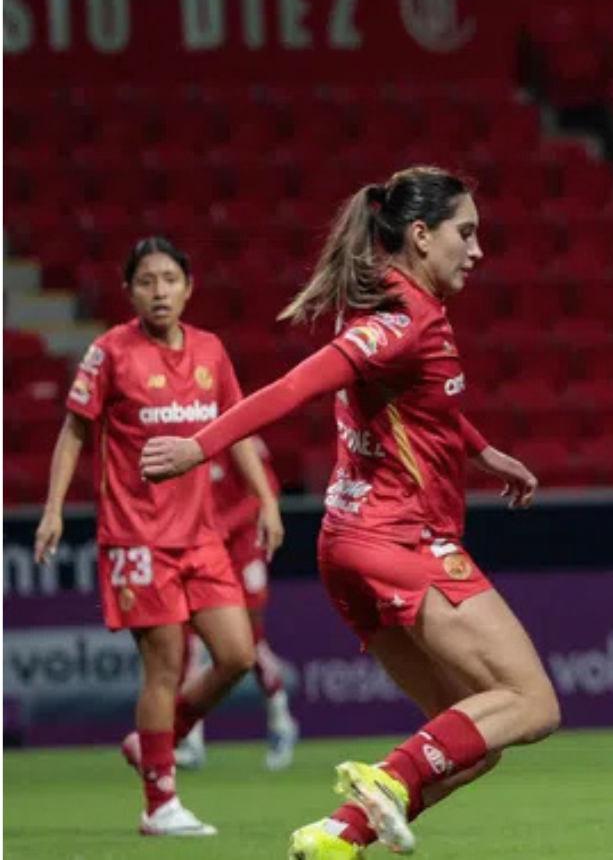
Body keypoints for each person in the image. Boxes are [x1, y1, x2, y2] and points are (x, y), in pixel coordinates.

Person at [139, 166, 558, 859]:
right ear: (421, 236)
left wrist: (484, 453)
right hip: (400, 540)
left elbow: (426, 407)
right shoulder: (396, 321)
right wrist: (198, 446)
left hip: (349, 546)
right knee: (533, 703)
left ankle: (339, 834)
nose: (477, 249)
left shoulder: (395, 304)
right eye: (466, 233)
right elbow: (295, 386)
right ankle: (387, 780)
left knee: (468, 743)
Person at [32, 236, 284, 837]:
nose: (159, 291)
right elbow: (74, 433)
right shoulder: (109, 353)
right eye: (146, 281)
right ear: (130, 291)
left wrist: (267, 502)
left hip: (202, 537)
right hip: (137, 537)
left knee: (237, 656)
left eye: (169, 279)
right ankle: (159, 804)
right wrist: (53, 509)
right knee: (164, 667)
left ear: (188, 286)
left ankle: (155, 743)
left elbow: (237, 431)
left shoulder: (211, 351)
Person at [174, 435, 301, 772]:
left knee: (252, 643)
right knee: (188, 643)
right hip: (203, 555)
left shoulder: (240, 437)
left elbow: (265, 493)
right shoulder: (182, 436)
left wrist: (222, 526)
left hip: (243, 552)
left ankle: (280, 719)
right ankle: (191, 739)